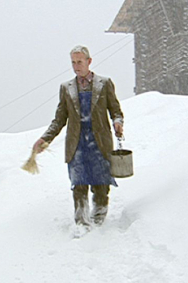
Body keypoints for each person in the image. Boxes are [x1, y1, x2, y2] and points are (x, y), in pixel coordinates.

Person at [33, 45, 124, 227]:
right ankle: (82, 224)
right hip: (77, 144)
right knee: (79, 184)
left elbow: (115, 110)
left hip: (100, 143)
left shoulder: (104, 84)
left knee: (100, 184)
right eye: (73, 62)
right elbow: (59, 119)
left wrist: (117, 122)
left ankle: (99, 221)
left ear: (89, 62)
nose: (76, 66)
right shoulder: (66, 88)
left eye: (79, 62)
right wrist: (45, 139)